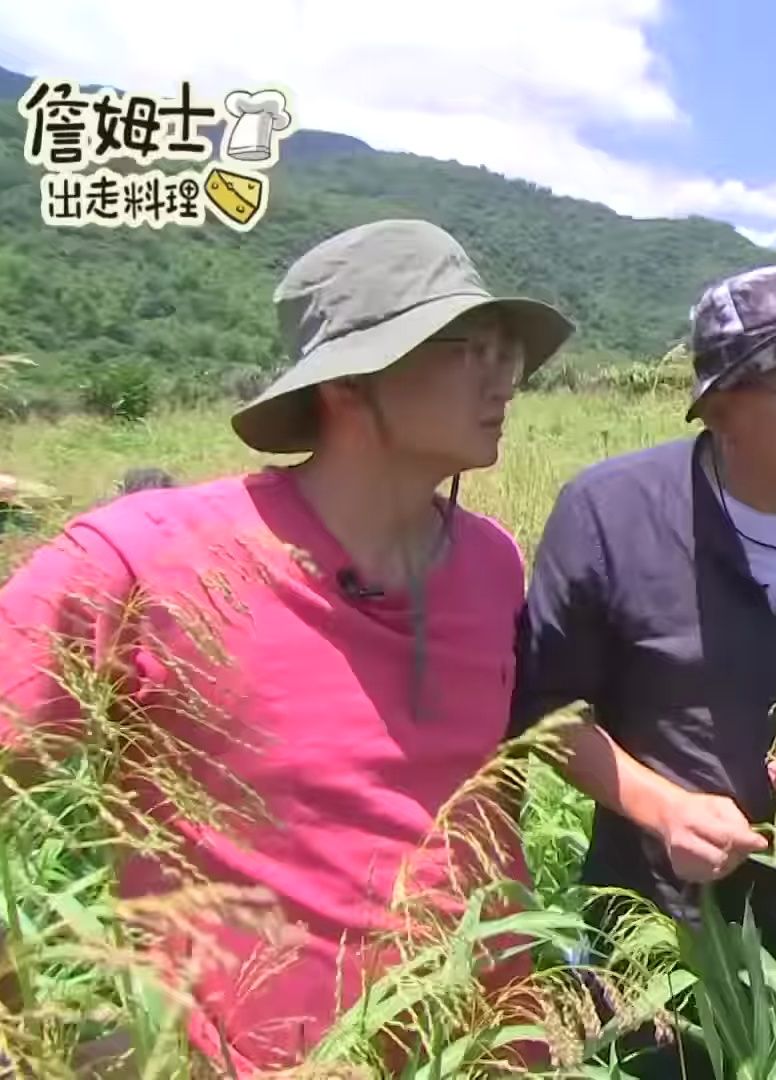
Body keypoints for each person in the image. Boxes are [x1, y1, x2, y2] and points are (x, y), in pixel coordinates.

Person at [0, 218, 575, 1075]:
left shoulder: (490, 559)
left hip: (481, 1051)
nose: (506, 378)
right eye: (468, 347)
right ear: (347, 384)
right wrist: (34, 1033)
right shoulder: (142, 558)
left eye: (510, 352)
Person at [510, 261, 776, 1073]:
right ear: (722, 409)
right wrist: (665, 810)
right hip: (661, 926)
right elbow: (546, 713)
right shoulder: (606, 516)